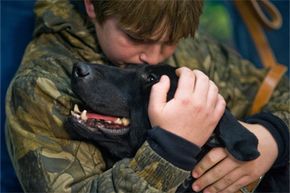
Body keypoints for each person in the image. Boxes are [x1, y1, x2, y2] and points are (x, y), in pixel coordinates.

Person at [5, 0, 289, 192]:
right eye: (136, 38)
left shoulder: (188, 49)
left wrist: (273, 136)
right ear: (92, 4)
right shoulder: (42, 86)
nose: (152, 55)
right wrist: (169, 152)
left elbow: (280, 89)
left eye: (170, 41)